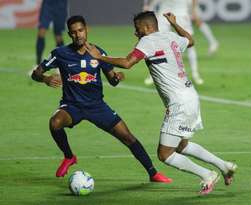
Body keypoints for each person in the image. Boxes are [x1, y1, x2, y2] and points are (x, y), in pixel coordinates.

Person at [85, 11, 237, 195]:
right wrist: (174, 24)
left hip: (179, 102)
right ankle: (225, 166)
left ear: (148, 27)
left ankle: (206, 174)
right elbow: (191, 40)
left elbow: (127, 63)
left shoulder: (147, 41)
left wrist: (98, 57)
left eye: (137, 28)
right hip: (189, 95)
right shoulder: (171, 36)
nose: (136, 33)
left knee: (164, 154)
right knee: (181, 145)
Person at [30, 15, 171, 183]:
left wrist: (117, 77)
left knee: (128, 137)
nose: (78, 35)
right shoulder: (60, 53)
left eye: (81, 30)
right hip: (72, 106)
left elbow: (112, 80)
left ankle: (153, 173)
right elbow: (36, 73)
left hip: (97, 106)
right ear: (69, 34)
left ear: (86, 30)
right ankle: (69, 157)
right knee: (54, 123)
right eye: (74, 32)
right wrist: (45, 79)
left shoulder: (98, 53)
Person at [143, 0, 216, 85]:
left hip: (181, 13)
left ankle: (195, 74)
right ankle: (153, 75)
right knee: (158, 44)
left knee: (189, 45)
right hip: (164, 12)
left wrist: (193, 11)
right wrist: (150, 7)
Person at [36, 0, 68, 65]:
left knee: (58, 36)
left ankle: (61, 64)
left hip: (60, 5)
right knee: (41, 31)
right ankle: (38, 64)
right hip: (48, 4)